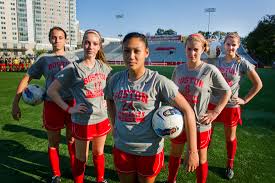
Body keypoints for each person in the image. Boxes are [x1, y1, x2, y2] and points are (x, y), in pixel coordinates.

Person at [105, 32, 199, 183]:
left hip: (149, 151)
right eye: (127, 51)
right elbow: (109, 99)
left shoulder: (158, 82)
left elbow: (188, 110)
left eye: (137, 51)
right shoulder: (115, 79)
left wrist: (192, 150)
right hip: (122, 147)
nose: (131, 56)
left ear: (147, 53)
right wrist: (114, 123)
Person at [11, 26, 78, 183]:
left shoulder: (74, 58)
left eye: (60, 37)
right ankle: (56, 174)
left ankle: (76, 171)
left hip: (72, 103)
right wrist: (15, 103)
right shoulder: (43, 59)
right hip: (52, 104)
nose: (57, 40)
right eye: (54, 37)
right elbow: (27, 78)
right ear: (49, 39)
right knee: (53, 141)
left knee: (72, 139)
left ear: (66, 39)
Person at [47, 29, 111, 183]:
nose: (90, 46)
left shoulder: (103, 66)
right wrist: (69, 109)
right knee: (82, 157)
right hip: (82, 121)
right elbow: (51, 91)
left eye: (94, 43)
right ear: (82, 44)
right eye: (87, 42)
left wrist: (106, 101)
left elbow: (107, 88)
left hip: (101, 118)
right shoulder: (73, 68)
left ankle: (100, 179)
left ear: (99, 47)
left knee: (99, 152)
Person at [167, 33, 232, 183]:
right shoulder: (178, 69)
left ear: (203, 49)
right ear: (185, 49)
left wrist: (215, 112)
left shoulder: (209, 70)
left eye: (196, 49)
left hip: (200, 125)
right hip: (179, 122)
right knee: (175, 154)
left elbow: (226, 91)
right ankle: (171, 180)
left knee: (201, 159)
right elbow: (172, 94)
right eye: (189, 49)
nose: (192, 53)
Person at [208, 32, 263, 179]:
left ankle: (229, 165)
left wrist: (245, 99)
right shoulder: (216, 61)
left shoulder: (242, 63)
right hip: (213, 103)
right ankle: (202, 160)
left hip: (231, 106)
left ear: (238, 46)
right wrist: (208, 45)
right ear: (224, 45)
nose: (230, 47)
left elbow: (258, 84)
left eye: (234, 44)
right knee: (207, 134)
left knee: (230, 138)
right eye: (228, 44)